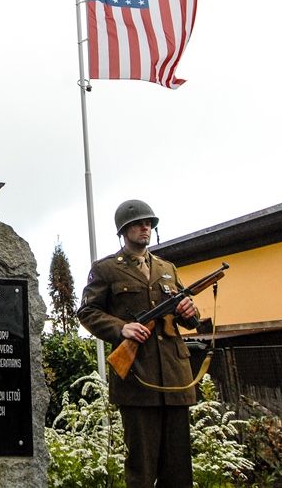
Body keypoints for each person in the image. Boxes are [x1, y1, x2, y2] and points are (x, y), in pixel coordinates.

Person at [77, 199, 200, 488]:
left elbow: (188, 318)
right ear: (124, 229)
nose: (145, 227)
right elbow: (87, 312)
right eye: (138, 223)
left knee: (179, 468)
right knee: (141, 469)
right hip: (137, 378)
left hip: (174, 378)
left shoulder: (166, 268)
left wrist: (190, 312)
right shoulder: (106, 269)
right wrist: (122, 328)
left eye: (149, 223)